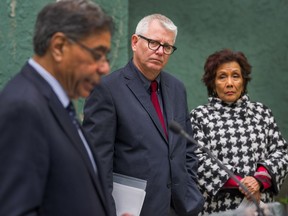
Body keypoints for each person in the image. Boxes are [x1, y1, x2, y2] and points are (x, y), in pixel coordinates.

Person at [0, 0, 115, 215]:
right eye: (97, 54)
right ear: (59, 46)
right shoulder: (23, 108)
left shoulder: (57, 105)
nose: (105, 67)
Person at [83, 14, 204, 216]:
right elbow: (97, 162)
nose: (160, 51)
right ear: (134, 42)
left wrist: (188, 188)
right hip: (132, 211)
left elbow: (186, 148)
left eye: (167, 47)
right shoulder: (107, 90)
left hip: (177, 208)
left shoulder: (176, 88)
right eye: (153, 43)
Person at [190, 49, 288, 215]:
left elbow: (281, 153)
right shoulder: (199, 116)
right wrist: (240, 184)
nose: (230, 83)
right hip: (218, 208)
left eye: (235, 75)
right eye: (222, 76)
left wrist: (258, 180)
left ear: (243, 80)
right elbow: (197, 160)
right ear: (212, 82)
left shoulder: (261, 113)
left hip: (259, 206)